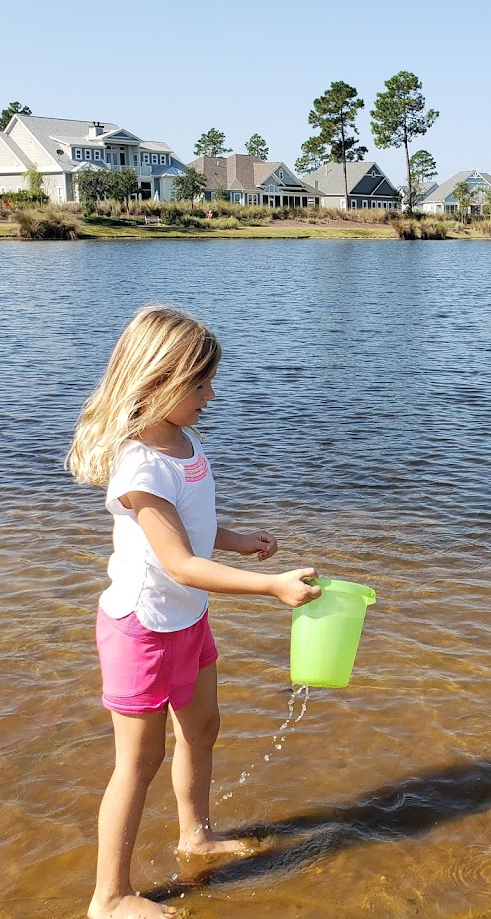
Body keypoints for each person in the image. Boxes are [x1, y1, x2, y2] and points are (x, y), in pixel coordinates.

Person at [66, 305, 321, 919]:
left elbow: (194, 530)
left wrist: (236, 540)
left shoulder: (183, 441)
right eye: (201, 383)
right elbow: (177, 562)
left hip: (188, 619)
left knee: (202, 729)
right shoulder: (138, 467)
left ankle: (194, 833)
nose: (212, 393)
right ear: (158, 382)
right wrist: (269, 586)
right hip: (142, 626)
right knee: (140, 760)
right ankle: (109, 896)